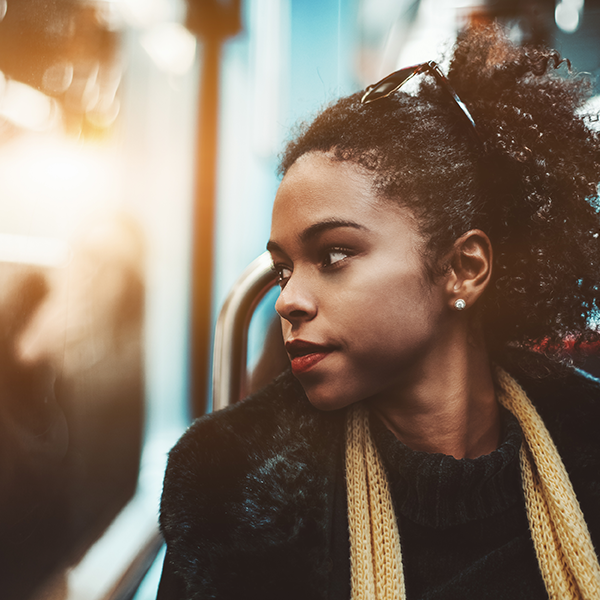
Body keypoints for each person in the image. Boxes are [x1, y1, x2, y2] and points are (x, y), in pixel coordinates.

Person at [157, 24, 600, 600]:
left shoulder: (587, 440)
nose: (287, 300)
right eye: (284, 269)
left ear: (464, 268)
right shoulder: (230, 490)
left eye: (335, 254)